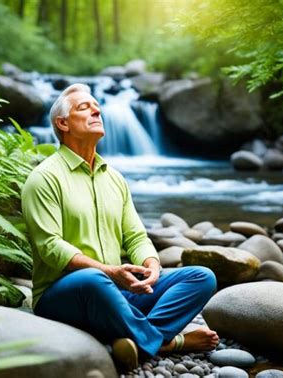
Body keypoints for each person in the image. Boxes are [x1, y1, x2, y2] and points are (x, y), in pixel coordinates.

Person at [21, 83, 219, 370]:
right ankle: (167, 343)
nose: (96, 110)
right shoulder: (44, 178)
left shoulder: (114, 179)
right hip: (62, 295)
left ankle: (130, 337)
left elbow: (136, 236)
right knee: (93, 279)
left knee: (202, 277)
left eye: (96, 106)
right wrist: (110, 272)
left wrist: (151, 268)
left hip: (115, 291)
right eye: (83, 107)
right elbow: (50, 247)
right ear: (62, 123)